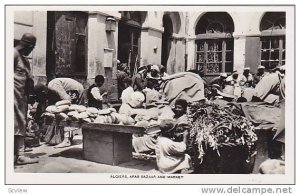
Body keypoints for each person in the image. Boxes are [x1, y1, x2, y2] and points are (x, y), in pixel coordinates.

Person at [14, 33, 39, 165]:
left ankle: (19, 155)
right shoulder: (13, 54)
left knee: (20, 124)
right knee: (13, 124)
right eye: (32, 47)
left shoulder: (24, 60)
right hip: (12, 97)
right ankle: (18, 155)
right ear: (28, 46)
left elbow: (28, 79)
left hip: (20, 98)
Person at [44, 78, 85, 148]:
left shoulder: (53, 85)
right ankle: (69, 137)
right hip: (76, 87)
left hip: (75, 89)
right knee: (69, 112)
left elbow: (66, 99)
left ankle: (67, 140)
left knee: (69, 113)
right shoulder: (52, 84)